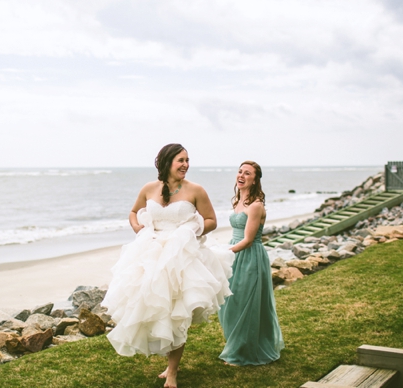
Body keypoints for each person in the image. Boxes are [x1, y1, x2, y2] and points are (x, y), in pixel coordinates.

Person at [102, 143, 234, 388]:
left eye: (187, 160)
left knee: (177, 313)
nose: (185, 165)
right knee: (151, 307)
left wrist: (188, 232)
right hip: (150, 254)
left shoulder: (195, 190)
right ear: (166, 162)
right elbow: (133, 212)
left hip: (182, 257)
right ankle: (165, 359)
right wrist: (137, 227)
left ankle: (172, 371)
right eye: (180, 160)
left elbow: (211, 221)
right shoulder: (149, 188)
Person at [218, 161, 284, 366]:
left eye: (247, 173)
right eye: (240, 171)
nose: (241, 175)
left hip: (250, 257)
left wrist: (221, 252)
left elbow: (247, 240)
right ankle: (237, 344)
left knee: (247, 303)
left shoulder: (256, 205)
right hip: (235, 254)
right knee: (230, 302)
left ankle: (245, 352)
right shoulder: (238, 201)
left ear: (255, 179)